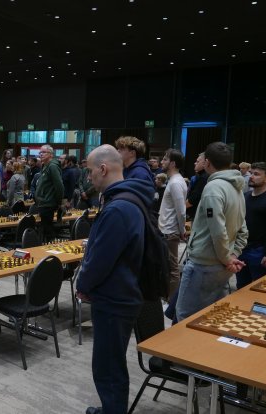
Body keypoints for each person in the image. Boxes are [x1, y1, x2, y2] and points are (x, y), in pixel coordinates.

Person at [75, 144, 150, 414]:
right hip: (123, 291)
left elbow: (102, 260)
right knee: (111, 363)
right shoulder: (129, 198)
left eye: (90, 171)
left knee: (108, 367)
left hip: (115, 297)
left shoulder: (118, 208)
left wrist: (82, 285)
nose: (89, 177)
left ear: (103, 169)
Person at [176, 142, 248, 321]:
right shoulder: (237, 187)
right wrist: (233, 254)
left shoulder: (213, 188)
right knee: (212, 317)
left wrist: (228, 258)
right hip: (223, 263)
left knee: (186, 317)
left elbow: (218, 230)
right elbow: (243, 228)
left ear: (207, 162)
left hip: (205, 264)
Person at [236, 162, 266, 289]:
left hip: (260, 250)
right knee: (241, 287)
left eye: (256, 174)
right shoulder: (245, 197)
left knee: (260, 287)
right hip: (241, 248)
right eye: (251, 173)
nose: (251, 176)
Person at [158, 149, 187, 298]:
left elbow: (181, 211)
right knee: (167, 267)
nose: (162, 162)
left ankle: (171, 300)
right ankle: (167, 297)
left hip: (170, 231)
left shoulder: (175, 182)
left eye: (165, 159)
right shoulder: (174, 180)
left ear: (173, 163)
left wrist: (181, 230)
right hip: (167, 229)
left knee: (172, 268)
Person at [34, 145, 64, 241]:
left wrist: (59, 202)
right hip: (43, 202)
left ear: (51, 154)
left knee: (48, 230)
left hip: (48, 202)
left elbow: (59, 186)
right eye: (40, 152)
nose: (41, 154)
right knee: (44, 230)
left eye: (43, 152)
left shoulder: (52, 166)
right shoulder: (45, 166)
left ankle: (51, 247)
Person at [186, 152, 207, 220]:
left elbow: (193, 199)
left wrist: (180, 208)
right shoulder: (201, 176)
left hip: (197, 216)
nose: (195, 163)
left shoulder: (203, 177)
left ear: (205, 163)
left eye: (197, 161)